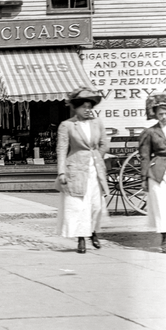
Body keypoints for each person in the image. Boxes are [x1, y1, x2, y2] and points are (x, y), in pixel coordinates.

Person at [56, 87, 110, 254]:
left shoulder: (97, 123)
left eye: (89, 107)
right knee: (79, 206)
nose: (87, 110)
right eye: (83, 107)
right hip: (76, 170)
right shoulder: (67, 125)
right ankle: (81, 239)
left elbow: (104, 144)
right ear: (76, 108)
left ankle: (93, 231)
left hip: (95, 170)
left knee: (96, 205)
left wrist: (96, 157)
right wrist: (62, 172)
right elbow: (62, 149)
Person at [138, 94, 166, 254]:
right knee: (162, 206)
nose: (163, 117)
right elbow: (144, 156)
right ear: (155, 114)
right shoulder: (150, 132)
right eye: (160, 114)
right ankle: (165, 239)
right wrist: (144, 178)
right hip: (158, 172)